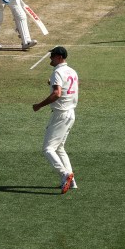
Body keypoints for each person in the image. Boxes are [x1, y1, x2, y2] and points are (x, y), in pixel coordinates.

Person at [32, 46, 78, 194]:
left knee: (48, 149)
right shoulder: (71, 71)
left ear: (59, 57)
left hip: (60, 114)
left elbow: (57, 94)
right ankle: (72, 182)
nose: (50, 57)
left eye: (52, 55)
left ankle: (65, 174)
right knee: (59, 148)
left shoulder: (58, 72)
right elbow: (67, 88)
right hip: (70, 113)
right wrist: (52, 83)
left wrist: (39, 105)